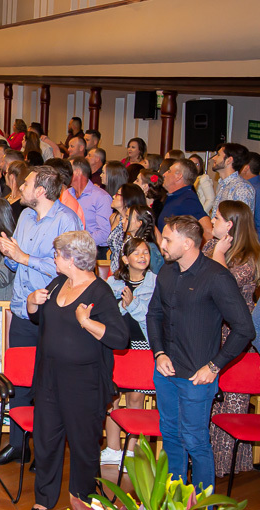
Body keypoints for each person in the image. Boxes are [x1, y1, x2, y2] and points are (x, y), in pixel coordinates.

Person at [147, 216, 254, 493]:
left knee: (195, 441)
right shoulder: (168, 272)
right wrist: (158, 353)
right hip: (166, 372)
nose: (163, 243)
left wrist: (214, 366)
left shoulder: (216, 277)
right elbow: (154, 314)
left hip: (197, 377)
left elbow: (244, 329)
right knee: (171, 437)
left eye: (168, 239)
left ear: (188, 242)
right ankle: (174, 504)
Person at [26, 231, 128, 510]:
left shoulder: (99, 292)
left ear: (71, 259)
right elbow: (38, 317)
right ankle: (44, 497)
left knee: (83, 443)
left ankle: (84, 499)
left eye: (57, 254)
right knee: (46, 439)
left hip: (83, 383)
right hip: (49, 376)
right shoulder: (59, 283)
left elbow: (120, 339)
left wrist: (87, 323)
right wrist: (33, 301)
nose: (54, 258)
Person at [0, 166, 83, 465]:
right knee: (19, 378)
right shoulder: (26, 217)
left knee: (47, 381)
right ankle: (18, 445)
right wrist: (8, 251)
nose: (22, 187)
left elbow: (68, 267)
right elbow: (17, 266)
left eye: (27, 183)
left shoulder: (65, 220)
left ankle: (46, 447)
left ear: (41, 191)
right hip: (22, 307)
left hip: (52, 311)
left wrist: (23, 257)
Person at [203, 200, 260, 478]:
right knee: (210, 399)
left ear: (230, 225)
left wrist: (220, 253)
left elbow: (221, 284)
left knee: (232, 401)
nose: (211, 221)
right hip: (210, 332)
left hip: (236, 339)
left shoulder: (250, 258)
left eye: (216, 217)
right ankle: (203, 461)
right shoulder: (208, 247)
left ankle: (226, 464)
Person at [102, 238, 158, 466]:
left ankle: (131, 450)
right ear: (125, 259)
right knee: (112, 398)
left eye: (146, 252)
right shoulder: (111, 282)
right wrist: (120, 306)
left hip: (142, 345)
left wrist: (132, 304)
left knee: (136, 398)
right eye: (137, 253)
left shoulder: (156, 283)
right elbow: (105, 313)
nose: (143, 256)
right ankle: (113, 448)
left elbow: (154, 317)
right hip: (117, 347)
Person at [157, 158, 212, 240]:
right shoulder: (175, 196)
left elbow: (208, 232)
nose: (164, 174)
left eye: (169, 171)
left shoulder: (188, 200)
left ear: (178, 176)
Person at [69, 156, 112, 255]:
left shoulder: (101, 197)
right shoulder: (67, 194)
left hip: (93, 250)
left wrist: (78, 242)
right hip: (69, 248)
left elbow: (104, 233)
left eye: (69, 170)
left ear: (78, 172)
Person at [210, 143, 256, 218]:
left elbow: (241, 223)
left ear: (229, 160)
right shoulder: (222, 184)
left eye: (218, 155)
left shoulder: (241, 188)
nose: (213, 158)